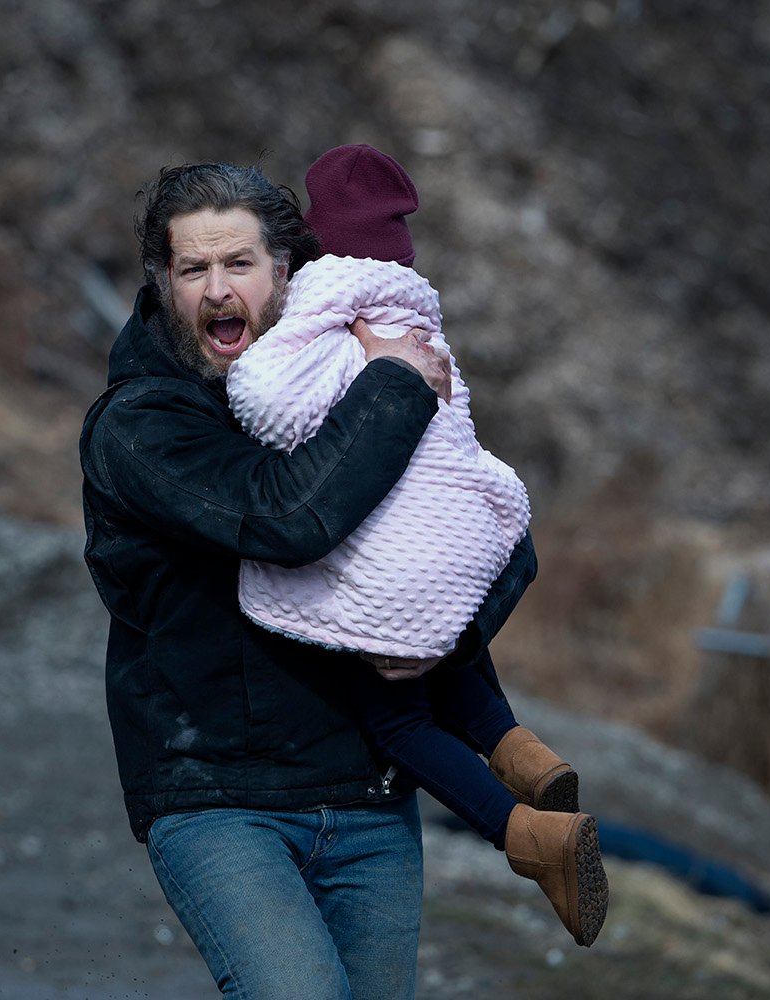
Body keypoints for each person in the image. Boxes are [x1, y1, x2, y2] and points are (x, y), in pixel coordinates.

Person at [81, 160, 536, 998]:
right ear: (163, 282)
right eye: (193, 269)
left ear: (289, 271)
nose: (219, 289)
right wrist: (395, 385)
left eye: (240, 264)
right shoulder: (141, 426)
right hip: (221, 802)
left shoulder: (340, 386)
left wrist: (441, 642)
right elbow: (285, 520)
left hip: (370, 800)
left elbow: (487, 536)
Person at [226, 144, 608, 946]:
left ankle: (532, 839)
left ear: (316, 238)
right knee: (437, 640)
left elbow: (274, 408)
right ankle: (523, 753)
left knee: (394, 718)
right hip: (456, 533)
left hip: (394, 552)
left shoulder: (329, 311)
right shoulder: (417, 317)